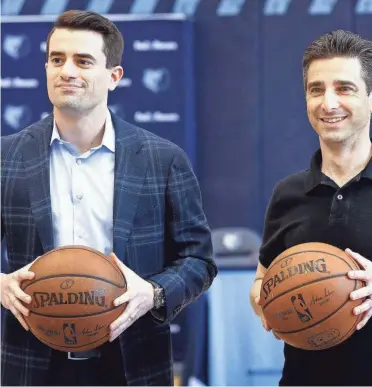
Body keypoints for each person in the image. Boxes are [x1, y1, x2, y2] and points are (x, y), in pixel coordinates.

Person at [1, 10, 217, 386]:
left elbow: (198, 259)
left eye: (83, 61)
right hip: (31, 361)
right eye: (57, 59)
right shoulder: (6, 158)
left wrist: (153, 293)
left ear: (113, 76)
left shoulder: (162, 159)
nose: (67, 70)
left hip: (133, 361)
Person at [250, 30, 372, 386]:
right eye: (316, 89)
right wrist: (269, 301)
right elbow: (261, 281)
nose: (328, 102)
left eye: (344, 88)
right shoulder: (288, 193)